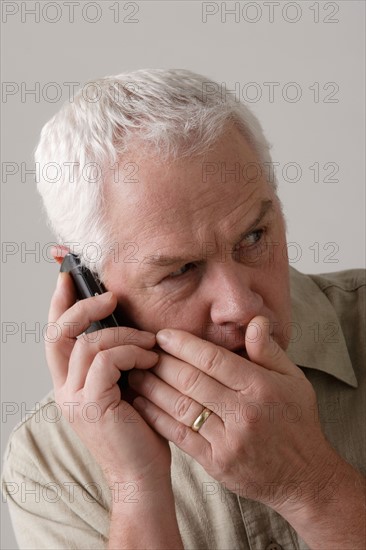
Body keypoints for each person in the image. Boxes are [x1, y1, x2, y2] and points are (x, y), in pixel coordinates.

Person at [2, 69, 365, 550]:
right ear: (83, 283)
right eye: (180, 270)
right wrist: (137, 487)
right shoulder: (49, 464)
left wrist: (310, 485)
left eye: (253, 238)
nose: (240, 305)